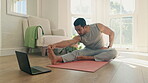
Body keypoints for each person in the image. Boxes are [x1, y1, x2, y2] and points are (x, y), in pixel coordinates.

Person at [48, 18, 117, 65]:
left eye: (79, 30)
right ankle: (56, 59)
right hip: (88, 50)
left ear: (85, 27)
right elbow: (68, 42)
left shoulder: (97, 27)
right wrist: (55, 45)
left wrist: (109, 46)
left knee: (114, 52)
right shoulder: (79, 37)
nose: (78, 32)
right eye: (76, 30)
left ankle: (90, 58)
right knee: (76, 52)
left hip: (100, 50)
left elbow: (111, 33)